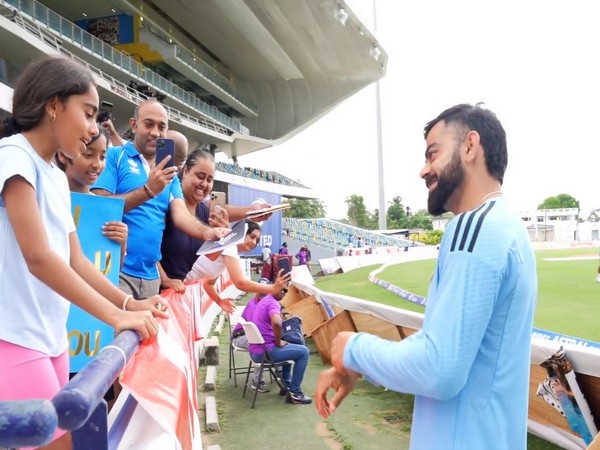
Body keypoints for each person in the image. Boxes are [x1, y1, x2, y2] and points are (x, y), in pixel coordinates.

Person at [315, 103, 537, 450]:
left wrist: (353, 347)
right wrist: (366, 365)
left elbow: (440, 369)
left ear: (469, 146)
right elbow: (447, 349)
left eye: (433, 154)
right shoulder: (506, 226)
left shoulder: (475, 227)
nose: (424, 170)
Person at [0, 55, 167, 450]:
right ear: (53, 105)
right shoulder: (13, 157)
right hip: (14, 339)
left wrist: (129, 303)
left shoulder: (56, 175)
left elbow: (76, 260)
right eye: (88, 114)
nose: (93, 129)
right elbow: (39, 258)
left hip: (51, 339)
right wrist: (115, 316)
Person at [91, 100, 230, 300]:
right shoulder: (114, 157)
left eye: (161, 127)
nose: (155, 133)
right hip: (115, 271)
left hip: (151, 279)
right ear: (133, 124)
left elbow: (181, 215)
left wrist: (210, 232)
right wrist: (147, 190)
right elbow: (98, 206)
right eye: (149, 124)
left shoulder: (169, 174)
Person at [157, 148, 274, 292]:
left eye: (209, 179)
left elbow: (209, 257)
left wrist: (223, 240)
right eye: (200, 176)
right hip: (154, 292)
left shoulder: (205, 213)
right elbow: (144, 242)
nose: (204, 184)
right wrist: (164, 279)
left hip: (177, 296)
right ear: (186, 171)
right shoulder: (165, 202)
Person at [56, 126, 128, 266]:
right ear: (63, 155)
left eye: (102, 157)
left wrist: (121, 244)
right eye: (88, 154)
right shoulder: (50, 197)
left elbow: (109, 270)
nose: (97, 164)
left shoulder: (104, 210)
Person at [184, 219, 291, 312]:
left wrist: (219, 301)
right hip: (175, 283)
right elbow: (240, 283)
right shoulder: (229, 245)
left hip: (179, 287)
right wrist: (272, 288)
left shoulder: (229, 250)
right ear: (241, 233)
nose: (254, 242)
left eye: (257, 240)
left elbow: (209, 283)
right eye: (252, 236)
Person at [250, 288, 312, 405]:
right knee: (304, 352)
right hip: (265, 353)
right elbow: (277, 322)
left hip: (256, 351)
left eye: (286, 291)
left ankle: (286, 385)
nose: (284, 292)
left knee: (290, 347)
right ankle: (295, 393)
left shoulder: (264, 300)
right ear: (274, 287)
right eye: (281, 289)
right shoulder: (273, 302)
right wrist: (278, 342)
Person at [230, 293, 268, 392]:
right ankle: (257, 381)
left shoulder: (267, 304)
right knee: (261, 344)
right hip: (240, 336)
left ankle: (280, 372)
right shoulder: (254, 306)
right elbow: (257, 328)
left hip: (254, 335)